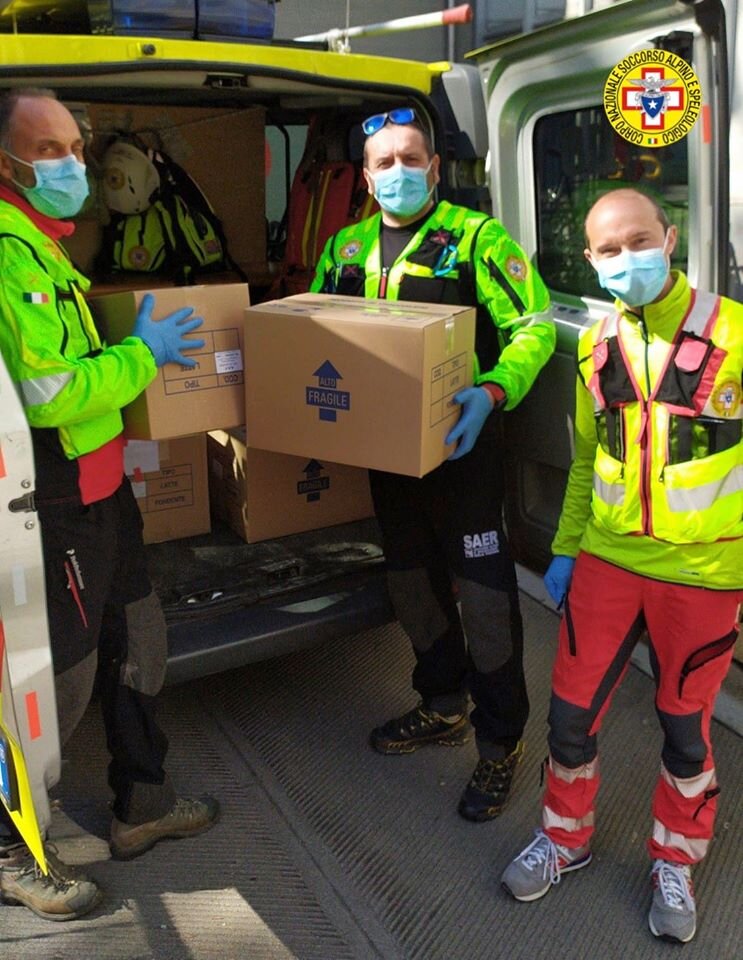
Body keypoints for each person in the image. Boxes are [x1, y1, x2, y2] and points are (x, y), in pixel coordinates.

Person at [501, 187, 742, 943]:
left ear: (669, 239)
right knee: (568, 719)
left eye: (638, 240)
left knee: (683, 732)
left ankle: (675, 857)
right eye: (607, 249)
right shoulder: (593, 343)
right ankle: (564, 840)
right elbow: (585, 464)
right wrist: (566, 549)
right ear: (590, 260)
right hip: (606, 562)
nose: (624, 258)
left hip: (701, 575)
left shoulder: (735, 331)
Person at [0, 88, 219, 921]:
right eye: (47, 150)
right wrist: (141, 355)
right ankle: (14, 848)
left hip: (102, 492)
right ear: (7, 163)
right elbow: (51, 392)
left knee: (142, 637)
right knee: (55, 681)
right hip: (51, 500)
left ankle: (143, 803)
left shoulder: (47, 245)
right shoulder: (10, 251)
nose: (71, 166)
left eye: (73, 147)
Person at [311, 107, 555, 820]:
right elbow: (314, 331)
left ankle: (500, 743)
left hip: (465, 453)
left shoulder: (475, 239)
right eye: (383, 163)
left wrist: (493, 389)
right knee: (411, 587)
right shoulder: (345, 248)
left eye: (409, 159)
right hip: (387, 457)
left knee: (482, 599)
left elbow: (532, 326)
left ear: (434, 168)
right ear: (363, 177)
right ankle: (442, 704)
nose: (397, 173)